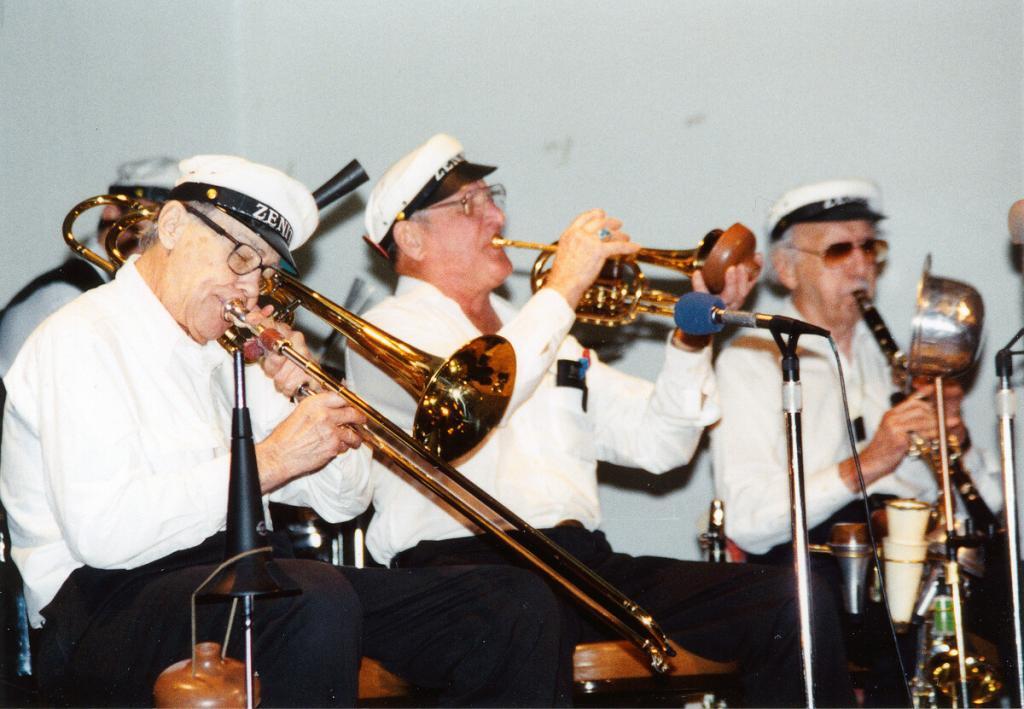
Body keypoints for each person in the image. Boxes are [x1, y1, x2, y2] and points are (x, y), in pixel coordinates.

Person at [0, 155, 564, 707]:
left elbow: (344, 504)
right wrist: (271, 460)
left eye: (267, 272)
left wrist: (306, 392)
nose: (250, 289)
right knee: (314, 598)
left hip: (241, 580)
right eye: (241, 257)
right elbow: (106, 536)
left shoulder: (233, 357)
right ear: (171, 225)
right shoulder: (79, 337)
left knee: (510, 602)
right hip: (103, 606)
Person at [346, 133, 855, 706]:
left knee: (793, 597)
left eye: (494, 196)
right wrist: (565, 285)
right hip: (463, 568)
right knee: (524, 604)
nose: (497, 215)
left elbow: (660, 445)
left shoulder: (547, 333)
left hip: (580, 564)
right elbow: (482, 394)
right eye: (468, 205)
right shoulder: (385, 331)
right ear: (409, 235)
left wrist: (691, 338)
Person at [711, 177, 1004, 702]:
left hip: (914, 562)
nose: (861, 264)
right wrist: (868, 464)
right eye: (838, 249)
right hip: (813, 565)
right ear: (786, 269)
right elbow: (750, 523)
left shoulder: (901, 359)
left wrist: (956, 447)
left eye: (870, 247)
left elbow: (992, 507)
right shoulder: (750, 360)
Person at [0, 157, 179, 378]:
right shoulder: (66, 298)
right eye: (153, 217)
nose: (160, 237)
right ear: (111, 212)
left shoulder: (111, 290)